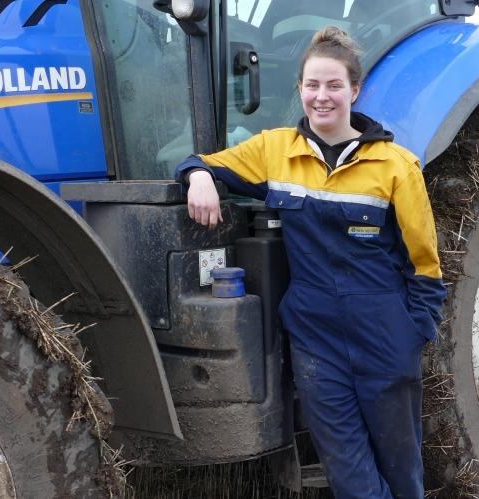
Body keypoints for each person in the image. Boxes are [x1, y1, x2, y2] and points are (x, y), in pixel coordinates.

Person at [174, 26, 445, 499]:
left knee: (401, 471)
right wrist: (197, 176)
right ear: (299, 89)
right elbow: (205, 161)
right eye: (313, 86)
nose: (322, 97)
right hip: (316, 341)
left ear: (354, 91)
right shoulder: (276, 151)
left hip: (383, 336)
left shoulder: (396, 166)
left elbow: (425, 265)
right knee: (349, 475)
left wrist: (411, 334)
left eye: (334, 85)